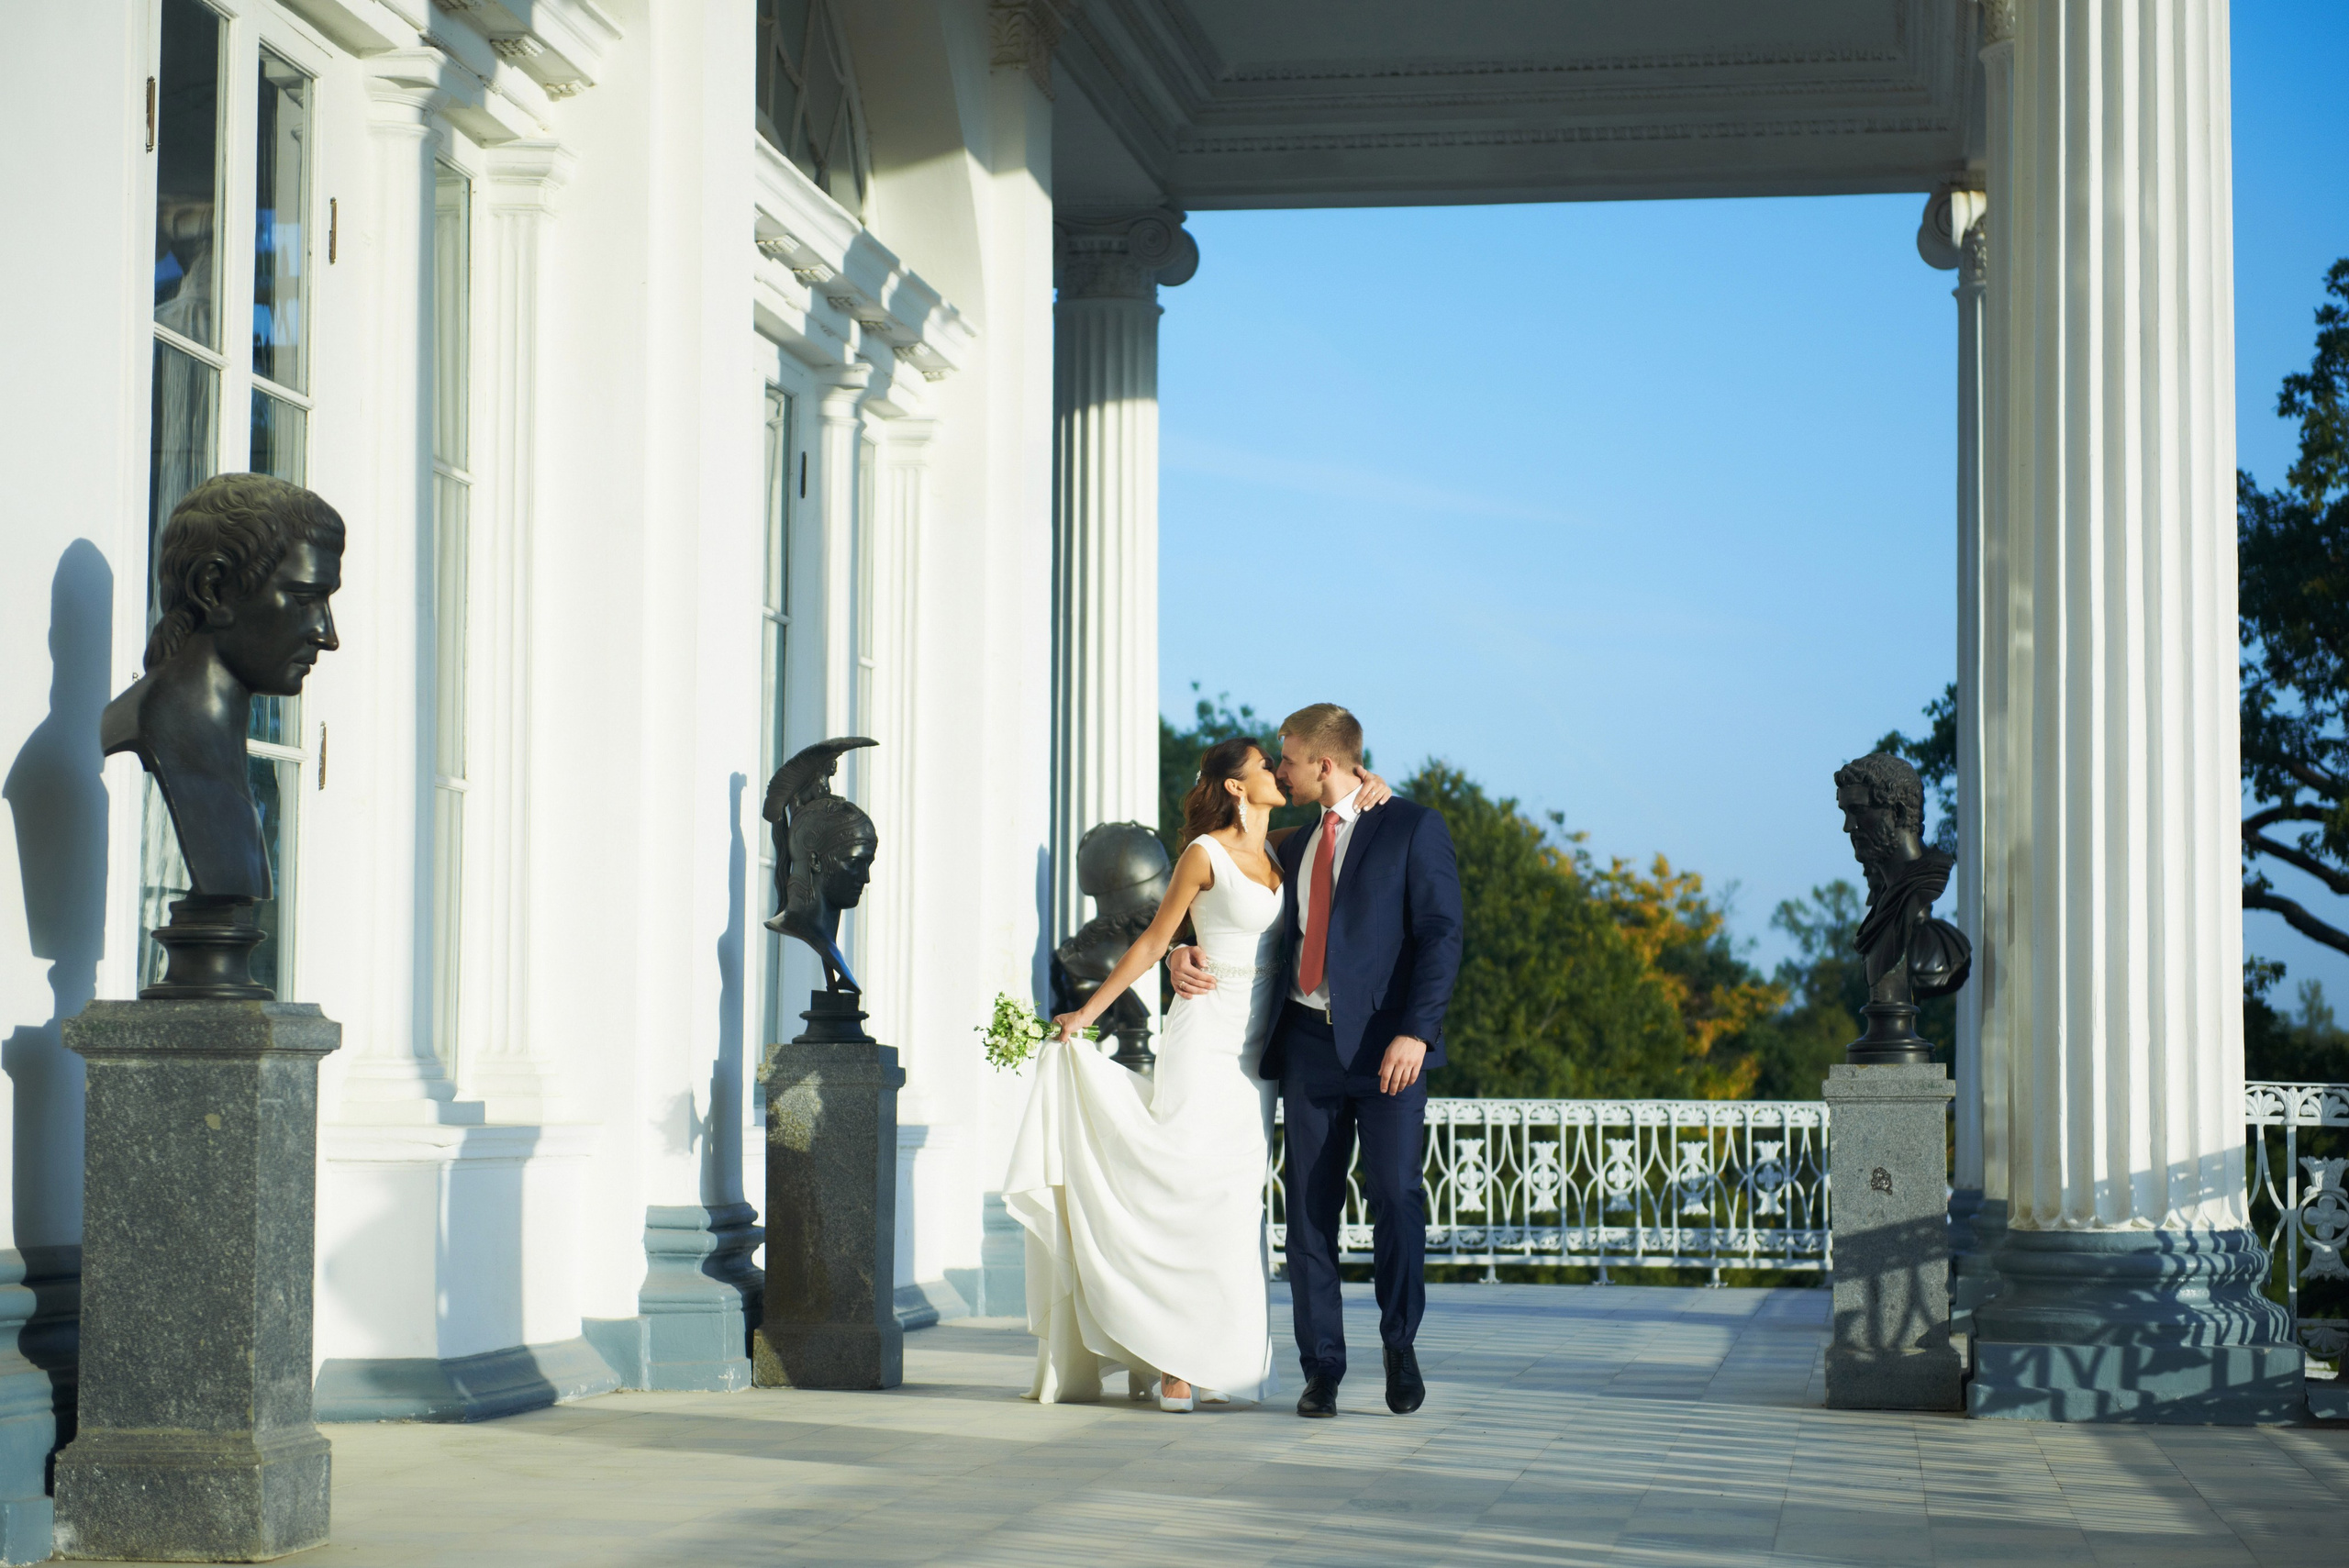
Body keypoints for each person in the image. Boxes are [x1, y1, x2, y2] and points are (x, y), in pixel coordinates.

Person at [999, 737, 1393, 1411]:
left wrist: (1370, 784)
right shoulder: (1203, 852)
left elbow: (1345, 823)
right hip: (1204, 1035)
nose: (1277, 769)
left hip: (1258, 1053)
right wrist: (1089, 1013)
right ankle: (1173, 1360)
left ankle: (1216, 1354)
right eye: (1265, 766)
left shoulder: (1286, 847)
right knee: (1183, 1185)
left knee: (1234, 1201)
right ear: (1237, 786)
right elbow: (1156, 937)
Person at [1166, 703, 1463, 1418]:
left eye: (1287, 758)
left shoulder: (1412, 827)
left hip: (1389, 1053)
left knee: (1395, 1197)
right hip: (1305, 1044)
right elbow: (1218, 900)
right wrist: (1179, 949)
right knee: (1307, 1213)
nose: (1280, 769)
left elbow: (1442, 934)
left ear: (1324, 763)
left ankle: (1399, 1343)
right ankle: (1322, 1366)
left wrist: (1417, 1033)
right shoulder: (1289, 848)